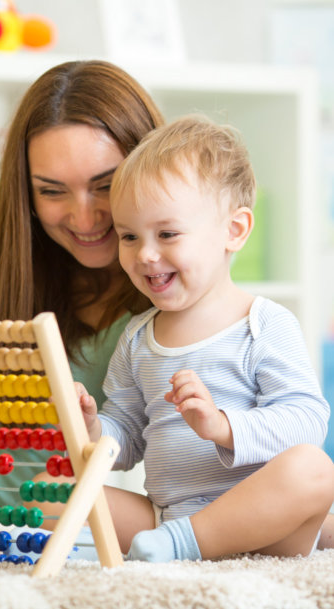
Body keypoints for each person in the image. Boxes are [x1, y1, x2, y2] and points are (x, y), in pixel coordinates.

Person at [0, 59, 164, 547]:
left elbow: (196, 472)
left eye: (105, 184)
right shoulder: (1, 207)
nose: (84, 217)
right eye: (52, 191)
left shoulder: (169, 284)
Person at [78, 114, 334, 561]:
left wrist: (222, 427)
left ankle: (184, 546)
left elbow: (306, 419)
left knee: (314, 468)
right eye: (129, 236)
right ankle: (177, 542)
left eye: (168, 233)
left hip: (262, 528)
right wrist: (94, 429)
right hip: (165, 516)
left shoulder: (264, 324)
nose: (146, 254)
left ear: (233, 231)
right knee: (52, 488)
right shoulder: (137, 338)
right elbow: (129, 435)